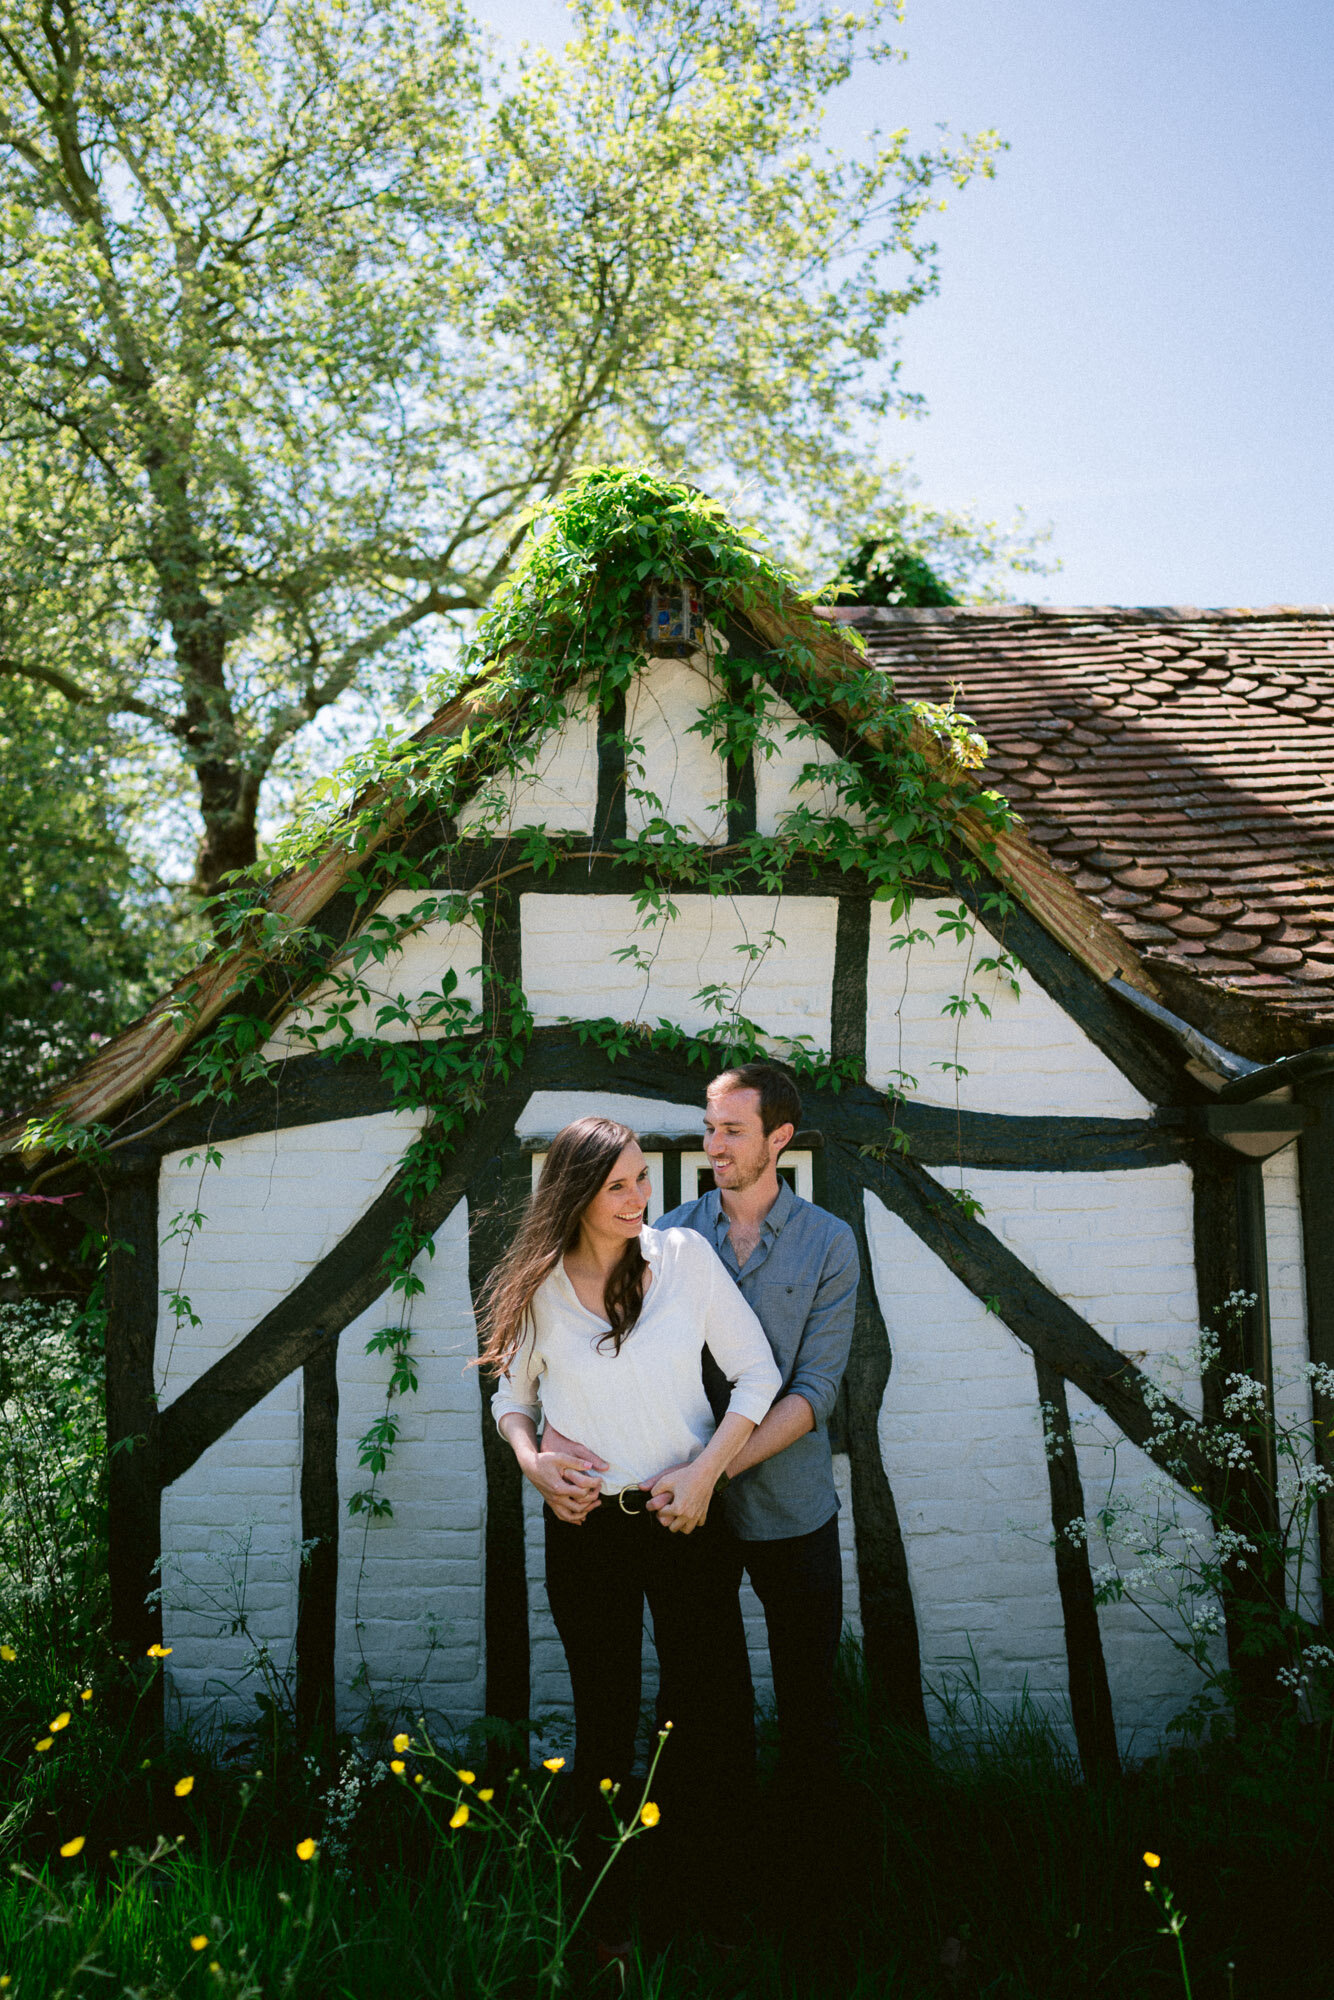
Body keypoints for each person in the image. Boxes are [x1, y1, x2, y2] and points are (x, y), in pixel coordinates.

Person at [481, 1114, 781, 1942]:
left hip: (680, 1518)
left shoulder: (683, 1260)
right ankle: (602, 1915)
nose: (640, 1198)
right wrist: (533, 1462)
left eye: (643, 1179)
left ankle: (714, 1905)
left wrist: (705, 1473)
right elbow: (511, 1399)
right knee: (603, 1720)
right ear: (575, 1193)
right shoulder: (538, 1286)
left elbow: (757, 1375)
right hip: (585, 1530)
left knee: (707, 1714)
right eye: (618, 1185)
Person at [541, 1063, 859, 1830]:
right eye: (709, 1127)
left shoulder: (828, 1243)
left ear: (779, 1139)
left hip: (786, 1507)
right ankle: (713, 1860)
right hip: (678, 1520)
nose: (713, 1143)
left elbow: (810, 1392)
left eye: (732, 1130)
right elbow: (586, 1357)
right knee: (701, 1703)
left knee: (809, 1699)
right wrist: (551, 1436)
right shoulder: (668, 1237)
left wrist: (706, 1472)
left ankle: (812, 1872)